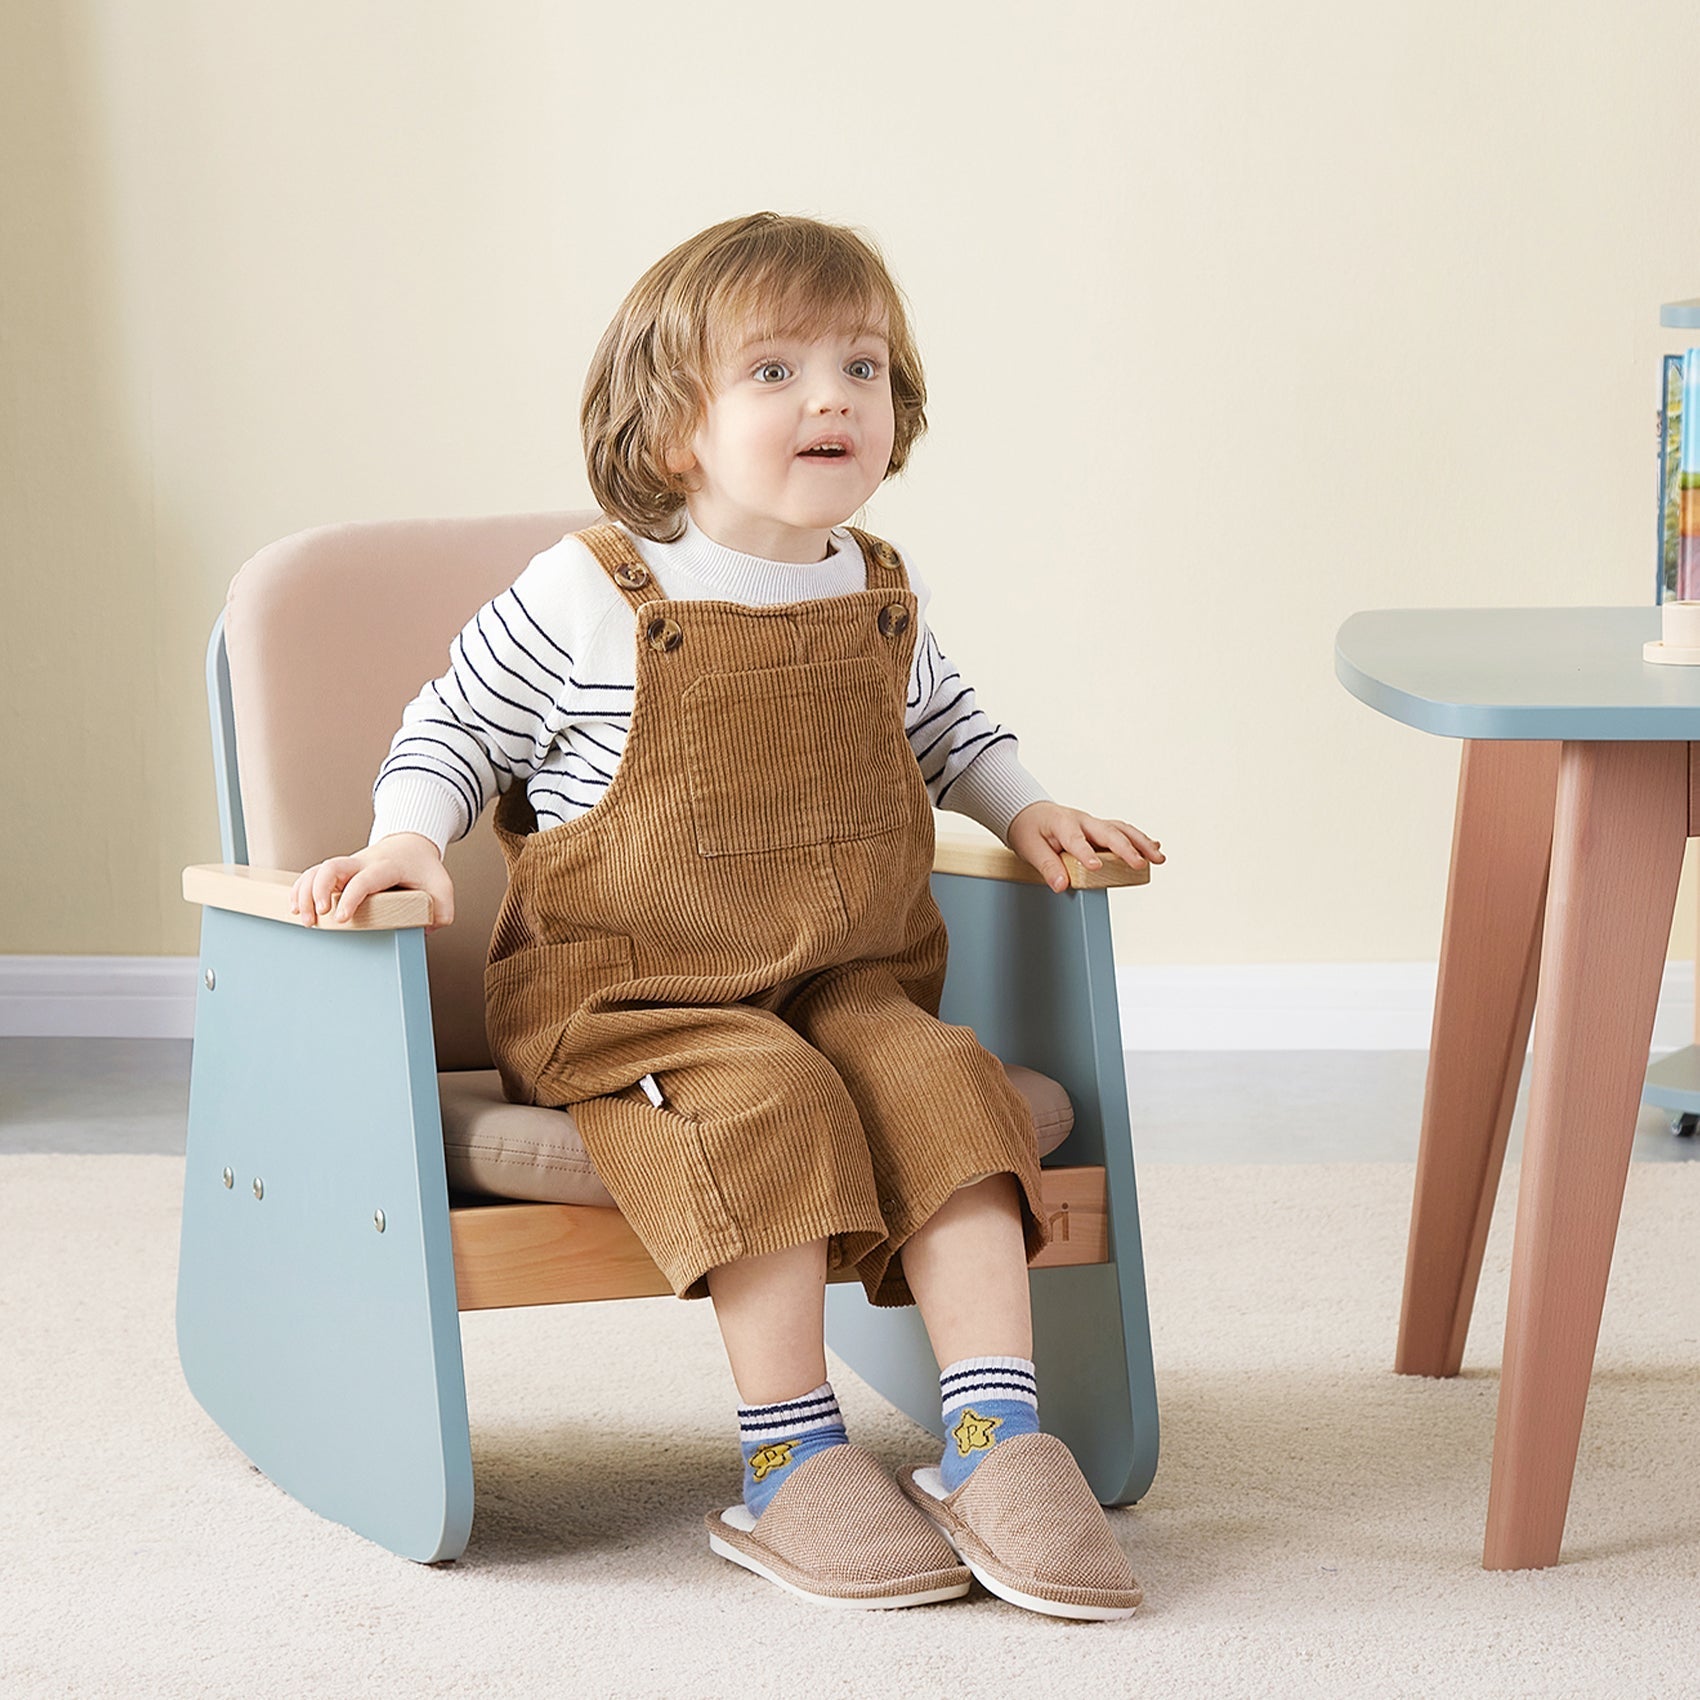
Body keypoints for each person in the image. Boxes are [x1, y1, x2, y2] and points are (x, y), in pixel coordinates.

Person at [290, 212, 1163, 1619]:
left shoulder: (880, 589)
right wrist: (407, 841)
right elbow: (452, 726)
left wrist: (1029, 808)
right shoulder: (593, 591)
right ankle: (788, 1458)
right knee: (763, 1096)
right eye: (774, 370)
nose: (832, 397)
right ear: (672, 425)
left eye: (862, 367)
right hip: (631, 1000)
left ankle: (994, 1437)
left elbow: (946, 729)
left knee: (943, 1081)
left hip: (843, 978)